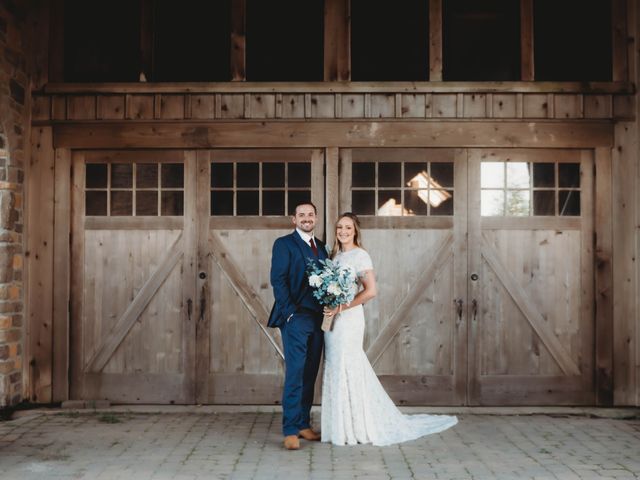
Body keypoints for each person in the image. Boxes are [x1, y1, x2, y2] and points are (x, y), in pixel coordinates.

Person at [321, 212, 458, 446]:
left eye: (348, 228)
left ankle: (357, 426)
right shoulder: (333, 257)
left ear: (356, 231)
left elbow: (371, 291)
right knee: (335, 364)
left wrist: (342, 306)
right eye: (339, 227)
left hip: (349, 319)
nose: (343, 232)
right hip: (332, 320)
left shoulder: (360, 256)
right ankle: (340, 426)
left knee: (349, 363)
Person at [268, 202, 328, 450]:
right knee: (296, 371)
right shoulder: (284, 244)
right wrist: (290, 313)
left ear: (315, 218)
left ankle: (304, 423)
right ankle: (290, 429)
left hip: (318, 318)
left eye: (310, 215)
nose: (306, 218)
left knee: (311, 371)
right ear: (294, 219)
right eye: (301, 215)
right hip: (296, 317)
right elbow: (278, 280)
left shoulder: (322, 247)